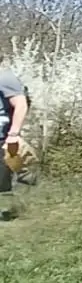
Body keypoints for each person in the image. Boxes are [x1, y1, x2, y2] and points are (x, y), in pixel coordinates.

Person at [0, 65, 27, 220]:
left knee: (3, 180)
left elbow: (21, 104)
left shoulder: (5, 78)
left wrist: (14, 133)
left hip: (3, 136)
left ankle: (7, 214)